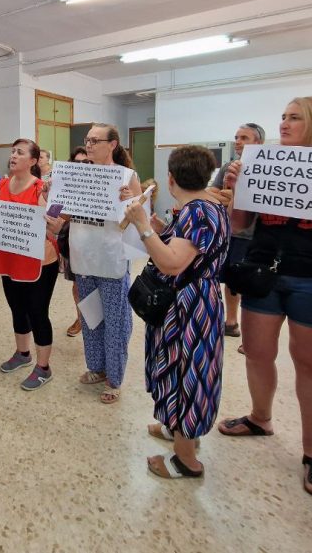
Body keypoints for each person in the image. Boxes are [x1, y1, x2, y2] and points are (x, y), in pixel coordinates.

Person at [216, 97, 312, 498]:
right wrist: (236, 189)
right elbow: (238, 225)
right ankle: (260, 417)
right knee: (256, 352)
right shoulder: (261, 163)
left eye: (294, 118)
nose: (284, 124)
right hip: (262, 273)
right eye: (282, 117)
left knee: (311, 363)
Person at [125, 145, 230, 479]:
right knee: (179, 367)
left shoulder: (199, 211)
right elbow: (179, 248)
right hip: (193, 301)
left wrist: (142, 225)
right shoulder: (205, 205)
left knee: (187, 373)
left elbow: (171, 263)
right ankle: (177, 428)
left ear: (170, 178)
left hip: (191, 305)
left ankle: (186, 460)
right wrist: (156, 227)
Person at [72, 123, 142, 404]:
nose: (88, 145)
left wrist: (132, 202)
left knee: (115, 320)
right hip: (83, 256)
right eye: (87, 140)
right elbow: (62, 212)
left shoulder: (127, 176)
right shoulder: (77, 175)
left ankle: (114, 377)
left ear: (112, 144)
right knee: (91, 318)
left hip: (112, 258)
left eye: (95, 140)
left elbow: (140, 219)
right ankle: (96, 367)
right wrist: (54, 194)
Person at [0, 139, 60, 391]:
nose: (13, 156)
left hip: (39, 262)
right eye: (12, 151)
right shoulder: (2, 185)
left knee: (37, 312)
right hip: (10, 257)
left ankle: (43, 367)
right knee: (16, 307)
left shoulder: (42, 188)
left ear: (32, 161)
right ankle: (22, 353)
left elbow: (55, 224)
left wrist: (47, 202)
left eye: (20, 152)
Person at [210, 122, 265, 337]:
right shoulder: (228, 167)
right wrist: (231, 198)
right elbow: (212, 191)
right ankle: (231, 322)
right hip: (229, 232)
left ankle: (253, 332)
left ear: (258, 143)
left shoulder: (266, 170)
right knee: (230, 279)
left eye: (244, 138)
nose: (238, 142)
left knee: (251, 283)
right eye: (237, 137)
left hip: (255, 235)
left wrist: (236, 197)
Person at [64, 146, 89, 338]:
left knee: (93, 286)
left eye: (85, 162)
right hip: (74, 241)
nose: (81, 166)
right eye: (77, 162)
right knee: (77, 285)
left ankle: (91, 323)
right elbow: (58, 213)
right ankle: (81, 318)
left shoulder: (100, 184)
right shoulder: (67, 184)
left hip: (96, 244)